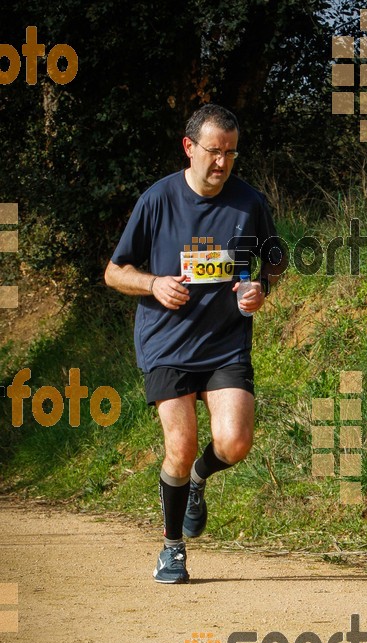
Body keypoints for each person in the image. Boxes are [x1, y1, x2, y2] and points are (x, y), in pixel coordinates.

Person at [104, 104, 285, 584]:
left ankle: (200, 481)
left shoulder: (250, 204)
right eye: (213, 151)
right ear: (189, 148)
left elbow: (274, 263)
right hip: (168, 344)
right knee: (179, 445)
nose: (222, 162)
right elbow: (114, 271)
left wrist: (258, 287)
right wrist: (153, 285)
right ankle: (171, 548)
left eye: (230, 152)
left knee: (235, 442)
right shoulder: (158, 200)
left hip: (225, 344)